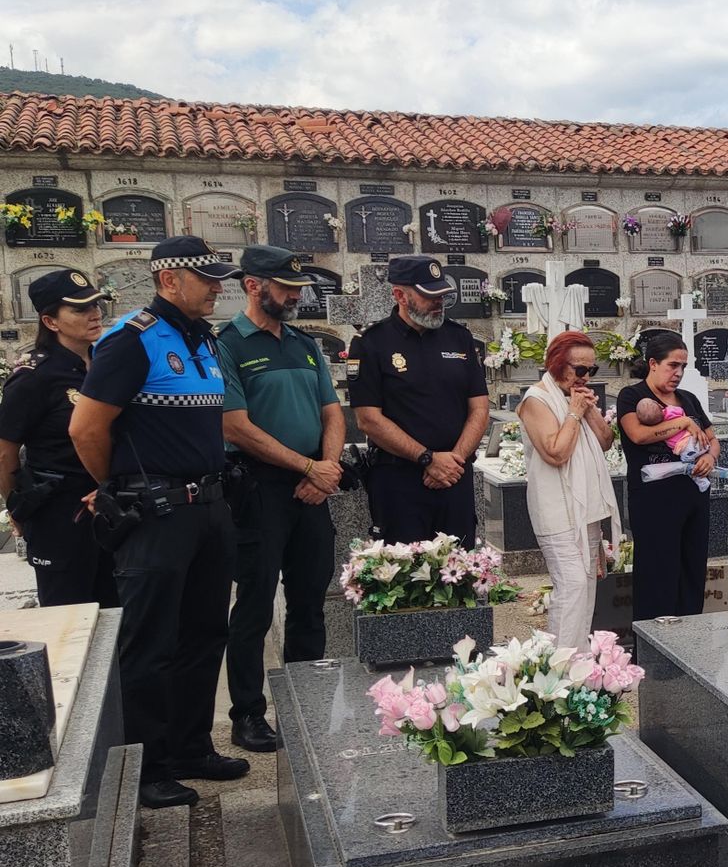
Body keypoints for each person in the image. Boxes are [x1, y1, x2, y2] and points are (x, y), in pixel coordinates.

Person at [69, 236, 248, 809]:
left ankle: (192, 747)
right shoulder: (131, 340)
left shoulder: (204, 338)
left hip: (209, 508)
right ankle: (145, 766)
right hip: (157, 510)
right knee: (150, 642)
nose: (219, 287)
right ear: (170, 280)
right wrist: (115, 486)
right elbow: (86, 430)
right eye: (208, 278)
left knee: (205, 632)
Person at [215, 246, 345, 753]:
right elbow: (235, 425)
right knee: (254, 606)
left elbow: (331, 411)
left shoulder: (304, 344)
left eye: (298, 290)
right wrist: (307, 467)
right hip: (260, 488)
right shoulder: (228, 344)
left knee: (311, 600)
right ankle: (249, 712)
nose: (295, 297)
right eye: (286, 289)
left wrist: (325, 470)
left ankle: (305, 700)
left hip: (313, 486)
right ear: (253, 285)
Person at [348, 255, 489, 544]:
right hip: (400, 480)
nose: (439, 302)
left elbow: (479, 407)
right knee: (404, 578)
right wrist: (427, 459)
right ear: (399, 295)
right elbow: (368, 419)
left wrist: (454, 461)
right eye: (429, 296)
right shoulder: (371, 343)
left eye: (442, 295)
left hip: (454, 475)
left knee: (459, 572)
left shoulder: (458, 337)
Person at [0, 270, 119, 608]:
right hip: (59, 511)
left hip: (110, 505)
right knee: (69, 611)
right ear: (51, 321)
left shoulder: (105, 366)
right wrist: (17, 508)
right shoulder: (34, 378)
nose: (94, 314)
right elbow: (5, 452)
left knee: (117, 611)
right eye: (80, 310)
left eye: (96, 305)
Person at [517, 330, 621, 648]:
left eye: (591, 370)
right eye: (579, 369)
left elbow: (605, 442)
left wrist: (587, 411)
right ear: (558, 364)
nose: (585, 377)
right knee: (572, 586)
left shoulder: (574, 398)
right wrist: (575, 412)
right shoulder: (536, 400)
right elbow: (556, 452)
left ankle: (578, 666)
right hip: (556, 510)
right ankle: (558, 669)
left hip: (585, 510)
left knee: (587, 587)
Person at [616, 332, 718, 621]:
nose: (679, 373)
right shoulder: (633, 396)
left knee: (691, 573)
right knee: (657, 575)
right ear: (652, 363)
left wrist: (710, 456)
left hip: (693, 497)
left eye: (683, 366)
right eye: (673, 365)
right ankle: (654, 648)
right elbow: (638, 435)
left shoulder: (689, 399)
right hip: (654, 502)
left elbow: (712, 439)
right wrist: (682, 422)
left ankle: (689, 642)